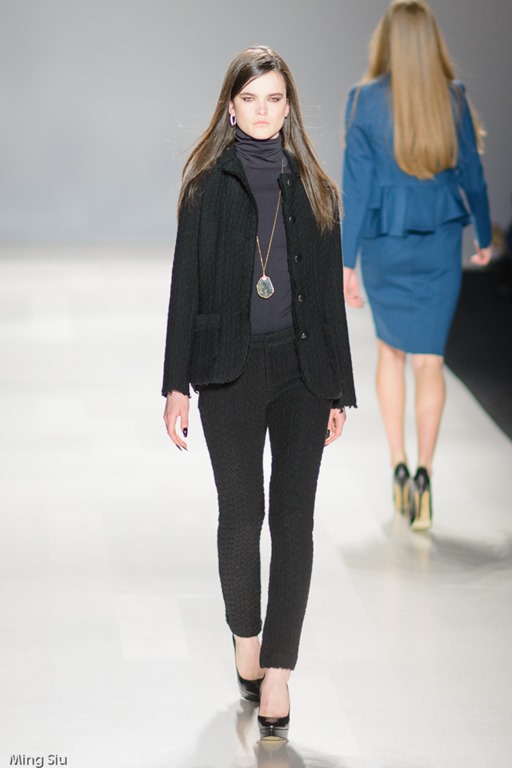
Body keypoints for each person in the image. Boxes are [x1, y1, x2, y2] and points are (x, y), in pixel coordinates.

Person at [162, 46, 356, 740]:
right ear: (231, 107)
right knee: (242, 518)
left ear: (289, 105)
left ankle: (278, 674)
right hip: (230, 370)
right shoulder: (206, 189)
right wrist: (175, 385)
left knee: (294, 522)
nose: (264, 111)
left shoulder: (316, 189)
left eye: (275, 98)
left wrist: (338, 388)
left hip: (302, 372)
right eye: (251, 99)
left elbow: (327, 300)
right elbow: (186, 287)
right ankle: (247, 635)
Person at [342, 0, 492, 530]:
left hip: (384, 244)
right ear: (431, 41)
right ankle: (426, 475)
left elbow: (357, 189)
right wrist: (484, 233)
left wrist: (346, 261)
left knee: (392, 354)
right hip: (438, 243)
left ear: (386, 40)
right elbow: (472, 174)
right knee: (430, 361)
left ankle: (398, 465)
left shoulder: (363, 101)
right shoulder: (453, 98)